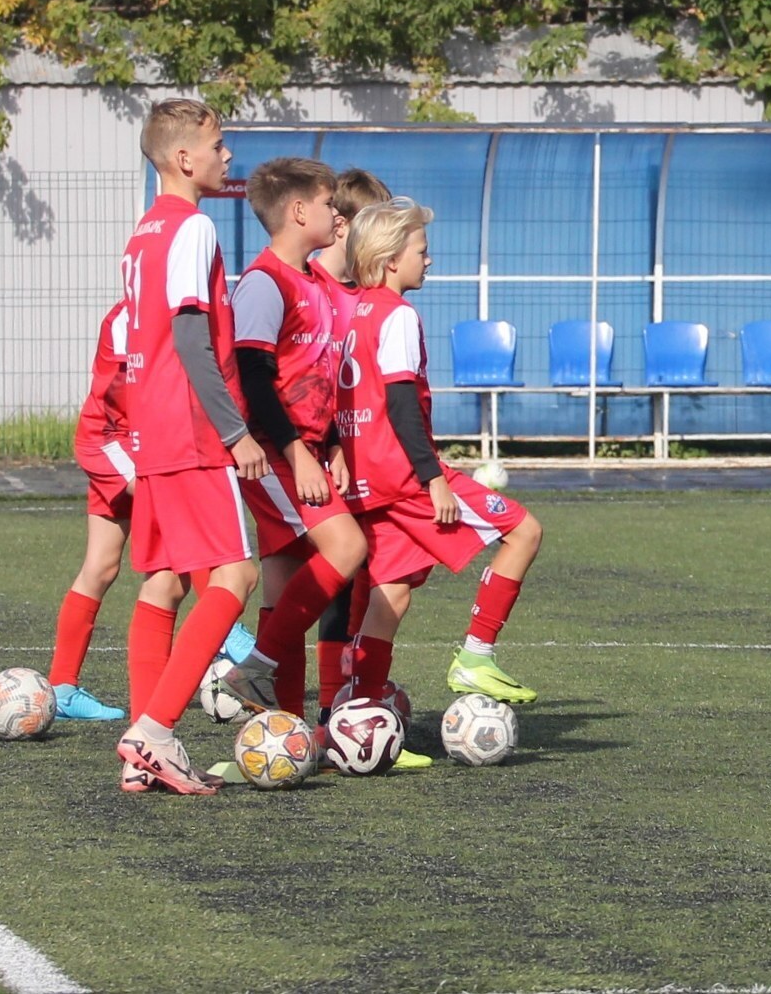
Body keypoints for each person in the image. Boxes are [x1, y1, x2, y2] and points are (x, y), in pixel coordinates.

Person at [335, 197, 543, 709]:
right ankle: (476, 655)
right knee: (523, 531)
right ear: (391, 260)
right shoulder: (397, 314)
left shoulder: (358, 313)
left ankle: (360, 712)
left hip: (368, 477)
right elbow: (400, 402)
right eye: (421, 250)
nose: (429, 260)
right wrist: (434, 479)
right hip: (403, 476)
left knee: (390, 590)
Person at [116, 98, 265, 795]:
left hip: (152, 427)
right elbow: (188, 335)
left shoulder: (142, 233)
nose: (226, 155)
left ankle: (140, 751)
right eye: (217, 144)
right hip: (191, 430)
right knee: (236, 578)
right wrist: (235, 432)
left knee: (165, 581)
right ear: (184, 158)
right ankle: (154, 732)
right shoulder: (192, 225)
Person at [216, 158, 368, 729]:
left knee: (282, 587)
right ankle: (255, 667)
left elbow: (318, 377)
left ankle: (282, 726)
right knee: (347, 549)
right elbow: (254, 378)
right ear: (300, 211)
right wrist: (298, 452)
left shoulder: (313, 281)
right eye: (330, 205)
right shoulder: (265, 281)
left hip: (303, 450)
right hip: (275, 453)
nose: (337, 214)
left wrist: (332, 443)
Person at [311, 168, 393, 723]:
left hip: (352, 452)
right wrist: (327, 446)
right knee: (328, 573)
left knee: (365, 570)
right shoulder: (310, 285)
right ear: (342, 226)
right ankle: (322, 704)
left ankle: (348, 699)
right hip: (306, 455)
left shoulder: (364, 296)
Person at [46, 299, 133, 721]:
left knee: (101, 566)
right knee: (184, 523)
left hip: (141, 444)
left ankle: (62, 687)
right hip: (114, 443)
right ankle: (231, 640)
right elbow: (129, 393)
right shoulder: (127, 317)